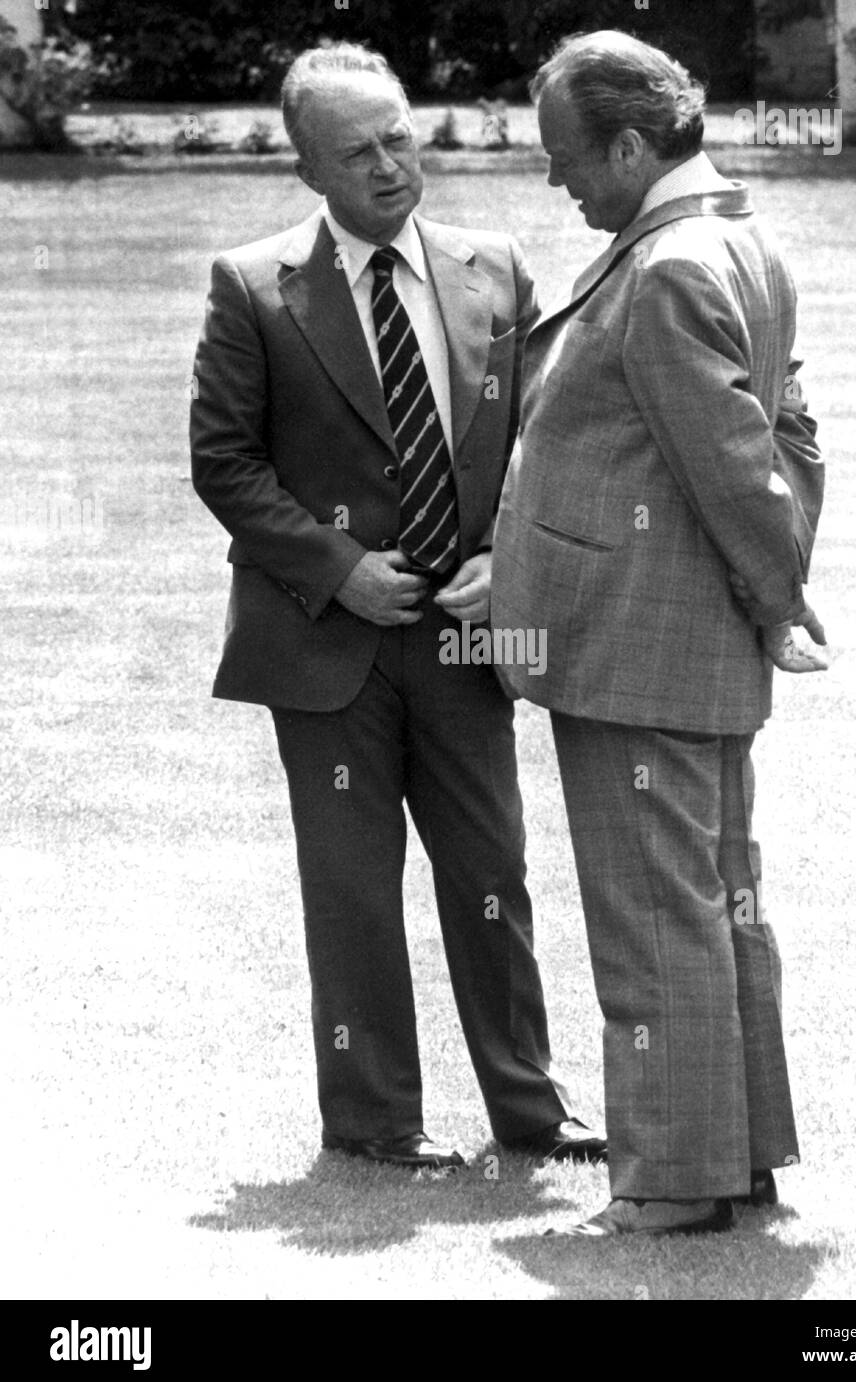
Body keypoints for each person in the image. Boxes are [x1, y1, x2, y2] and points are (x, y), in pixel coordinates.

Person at [190, 41, 605, 1170]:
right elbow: (224, 465)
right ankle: (373, 1118)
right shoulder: (253, 285)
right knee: (352, 885)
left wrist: (505, 557)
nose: (387, 167)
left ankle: (531, 1107)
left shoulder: (497, 268)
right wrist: (339, 569)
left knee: (493, 874)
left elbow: (541, 446)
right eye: (356, 152)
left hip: (474, 632)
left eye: (397, 138)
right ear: (309, 171)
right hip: (326, 640)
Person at [491, 30, 827, 1235]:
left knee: (656, 919)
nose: (556, 180)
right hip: (685, 645)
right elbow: (790, 440)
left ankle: (677, 1181)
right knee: (718, 899)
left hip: (640, 653)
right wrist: (767, 604)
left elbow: (743, 468)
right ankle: (736, 1155)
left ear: (632, 147)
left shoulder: (671, 264)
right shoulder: (739, 238)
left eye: (567, 155)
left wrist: (777, 598)